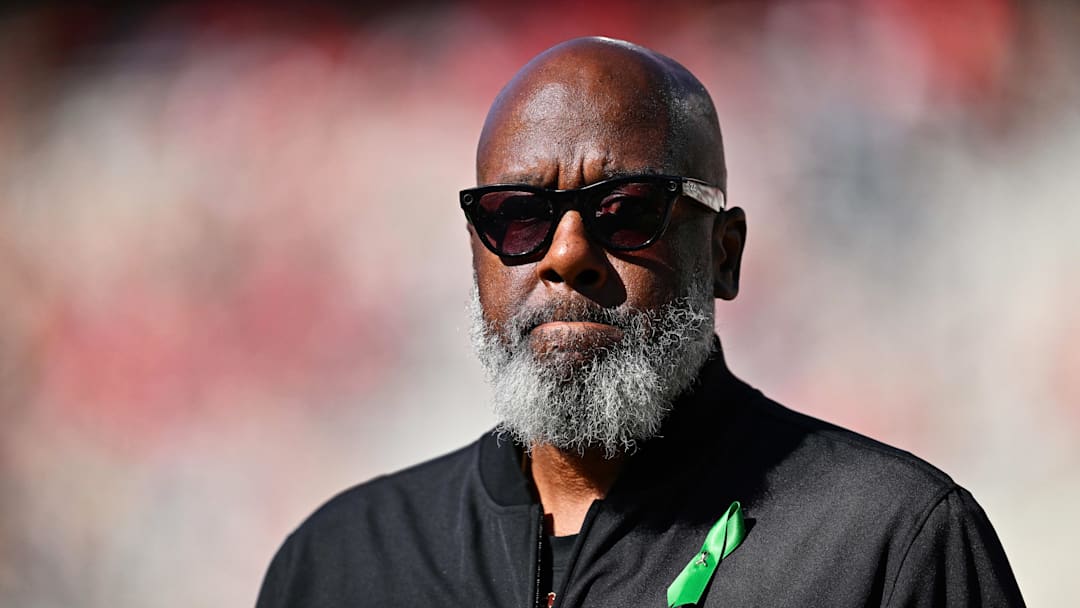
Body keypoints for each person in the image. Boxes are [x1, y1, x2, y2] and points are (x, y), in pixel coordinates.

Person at [256, 37, 1024, 607]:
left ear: (724, 254)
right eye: (517, 217)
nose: (566, 254)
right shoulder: (340, 562)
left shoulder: (886, 542)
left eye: (626, 211)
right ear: (477, 255)